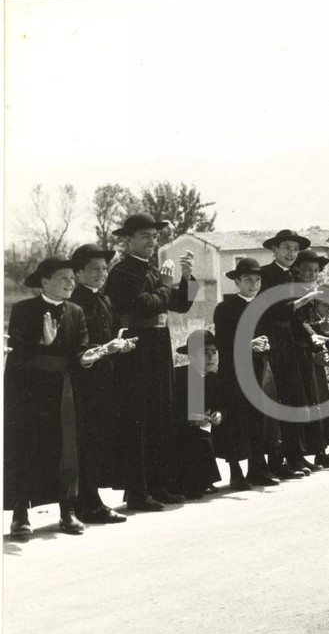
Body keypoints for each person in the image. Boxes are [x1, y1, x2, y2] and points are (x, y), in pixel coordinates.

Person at [104, 212, 199, 509]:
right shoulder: (123, 271)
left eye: (154, 237)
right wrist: (168, 285)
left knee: (160, 416)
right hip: (137, 350)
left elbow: (181, 305)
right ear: (128, 240)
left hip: (158, 346)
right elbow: (145, 306)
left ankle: (158, 485)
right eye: (145, 236)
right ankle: (137, 490)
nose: (151, 242)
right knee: (139, 420)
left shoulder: (153, 271)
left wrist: (187, 277)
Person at [5, 257, 105, 536]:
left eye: (73, 278)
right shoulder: (23, 310)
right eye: (64, 278)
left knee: (65, 450)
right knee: (28, 447)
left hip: (62, 388)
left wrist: (87, 357)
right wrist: (42, 342)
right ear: (45, 282)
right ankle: (20, 516)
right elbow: (17, 355)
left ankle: (67, 512)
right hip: (29, 390)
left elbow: (79, 351)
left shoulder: (75, 311)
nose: (71, 283)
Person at [69, 243, 133, 524]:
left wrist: (124, 344)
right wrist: (106, 348)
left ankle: (90, 500)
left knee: (98, 440)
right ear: (79, 272)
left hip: (107, 379)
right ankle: (87, 503)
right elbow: (78, 345)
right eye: (94, 269)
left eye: (104, 268)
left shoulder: (104, 300)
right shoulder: (76, 302)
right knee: (87, 441)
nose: (101, 274)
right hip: (84, 380)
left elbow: (114, 330)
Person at [212, 258, 282, 489]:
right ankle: (235, 473)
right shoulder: (225, 308)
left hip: (259, 369)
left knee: (258, 420)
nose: (254, 284)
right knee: (235, 421)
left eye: (258, 279)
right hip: (234, 372)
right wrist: (248, 344)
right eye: (248, 280)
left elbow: (267, 336)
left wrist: (264, 346)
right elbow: (222, 342)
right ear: (237, 282)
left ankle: (257, 469)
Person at [258, 229, 315, 477]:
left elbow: (299, 319)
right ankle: (277, 462)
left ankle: (296, 457)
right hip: (271, 343)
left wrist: (313, 336)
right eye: (287, 248)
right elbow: (267, 312)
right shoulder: (264, 275)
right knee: (276, 403)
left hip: (291, 345)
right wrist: (298, 303)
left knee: (295, 400)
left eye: (295, 249)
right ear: (275, 250)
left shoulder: (293, 277)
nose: (292, 253)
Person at [290, 248, 329, 468]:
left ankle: (321, 451)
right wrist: (318, 330)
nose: (311, 274)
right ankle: (300, 455)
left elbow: (312, 324)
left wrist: (325, 328)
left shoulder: (314, 293)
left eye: (315, 271)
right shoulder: (292, 292)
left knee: (319, 401)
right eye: (307, 270)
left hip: (313, 353)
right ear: (296, 269)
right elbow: (298, 325)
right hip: (297, 353)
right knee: (305, 403)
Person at [172, 330, 224, 499]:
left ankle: (206, 479)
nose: (211, 357)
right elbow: (168, 412)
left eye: (214, 352)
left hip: (199, 430)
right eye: (205, 353)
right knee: (196, 438)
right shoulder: (177, 378)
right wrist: (190, 419)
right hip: (177, 431)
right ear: (192, 357)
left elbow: (219, 404)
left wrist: (218, 414)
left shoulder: (213, 378)